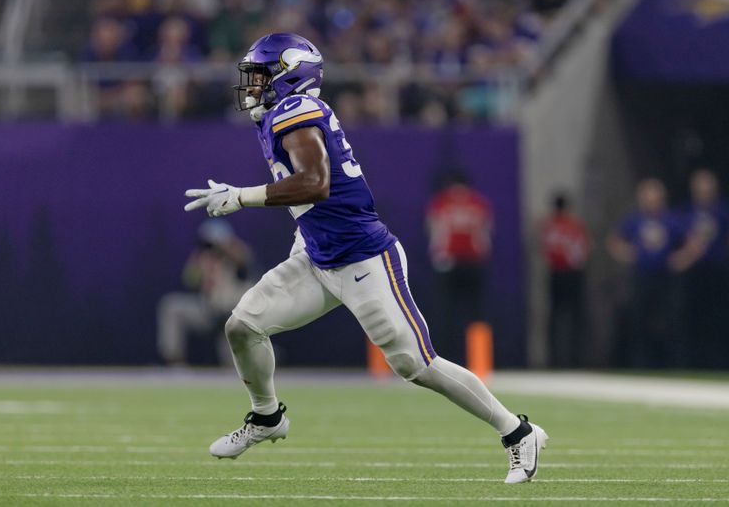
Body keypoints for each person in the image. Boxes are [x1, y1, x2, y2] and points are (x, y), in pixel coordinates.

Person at [183, 33, 547, 484]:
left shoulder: (296, 112)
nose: (252, 85)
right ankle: (266, 417)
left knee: (418, 365)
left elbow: (315, 183)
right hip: (317, 254)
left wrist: (241, 197)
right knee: (242, 325)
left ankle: (518, 432)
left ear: (288, 73)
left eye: (260, 75)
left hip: (364, 259)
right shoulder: (280, 114)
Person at [607, 179, 684, 367]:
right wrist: (629, 254)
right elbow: (614, 242)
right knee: (640, 320)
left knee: (668, 320)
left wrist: (679, 259)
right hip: (641, 276)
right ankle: (641, 363)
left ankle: (671, 363)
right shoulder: (635, 220)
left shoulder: (671, 219)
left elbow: (693, 242)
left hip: (665, 277)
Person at [157, 219, 253, 367]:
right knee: (171, 306)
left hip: (234, 313)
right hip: (208, 311)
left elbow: (245, 263)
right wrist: (198, 259)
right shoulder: (203, 258)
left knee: (234, 364)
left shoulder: (237, 254)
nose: (213, 247)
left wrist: (226, 247)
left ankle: (259, 360)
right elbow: (190, 280)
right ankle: (175, 362)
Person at [425, 169, 493, 362]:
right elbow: (487, 233)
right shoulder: (478, 203)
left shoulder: (441, 202)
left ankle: (444, 358)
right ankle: (479, 359)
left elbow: (433, 230)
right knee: (476, 311)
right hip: (474, 262)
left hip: (448, 263)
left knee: (445, 311)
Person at [669, 169, 729, 368]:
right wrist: (684, 256)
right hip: (693, 272)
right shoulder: (684, 212)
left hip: (719, 271)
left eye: (708, 184)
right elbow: (676, 239)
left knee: (719, 317)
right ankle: (689, 362)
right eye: (700, 185)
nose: (704, 189)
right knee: (690, 317)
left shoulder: (723, 210)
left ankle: (719, 362)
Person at [540, 193, 590, 367]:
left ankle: (555, 359)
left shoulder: (548, 226)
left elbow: (544, 250)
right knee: (575, 316)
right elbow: (582, 251)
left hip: (556, 274)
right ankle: (576, 359)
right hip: (572, 274)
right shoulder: (575, 225)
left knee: (555, 317)